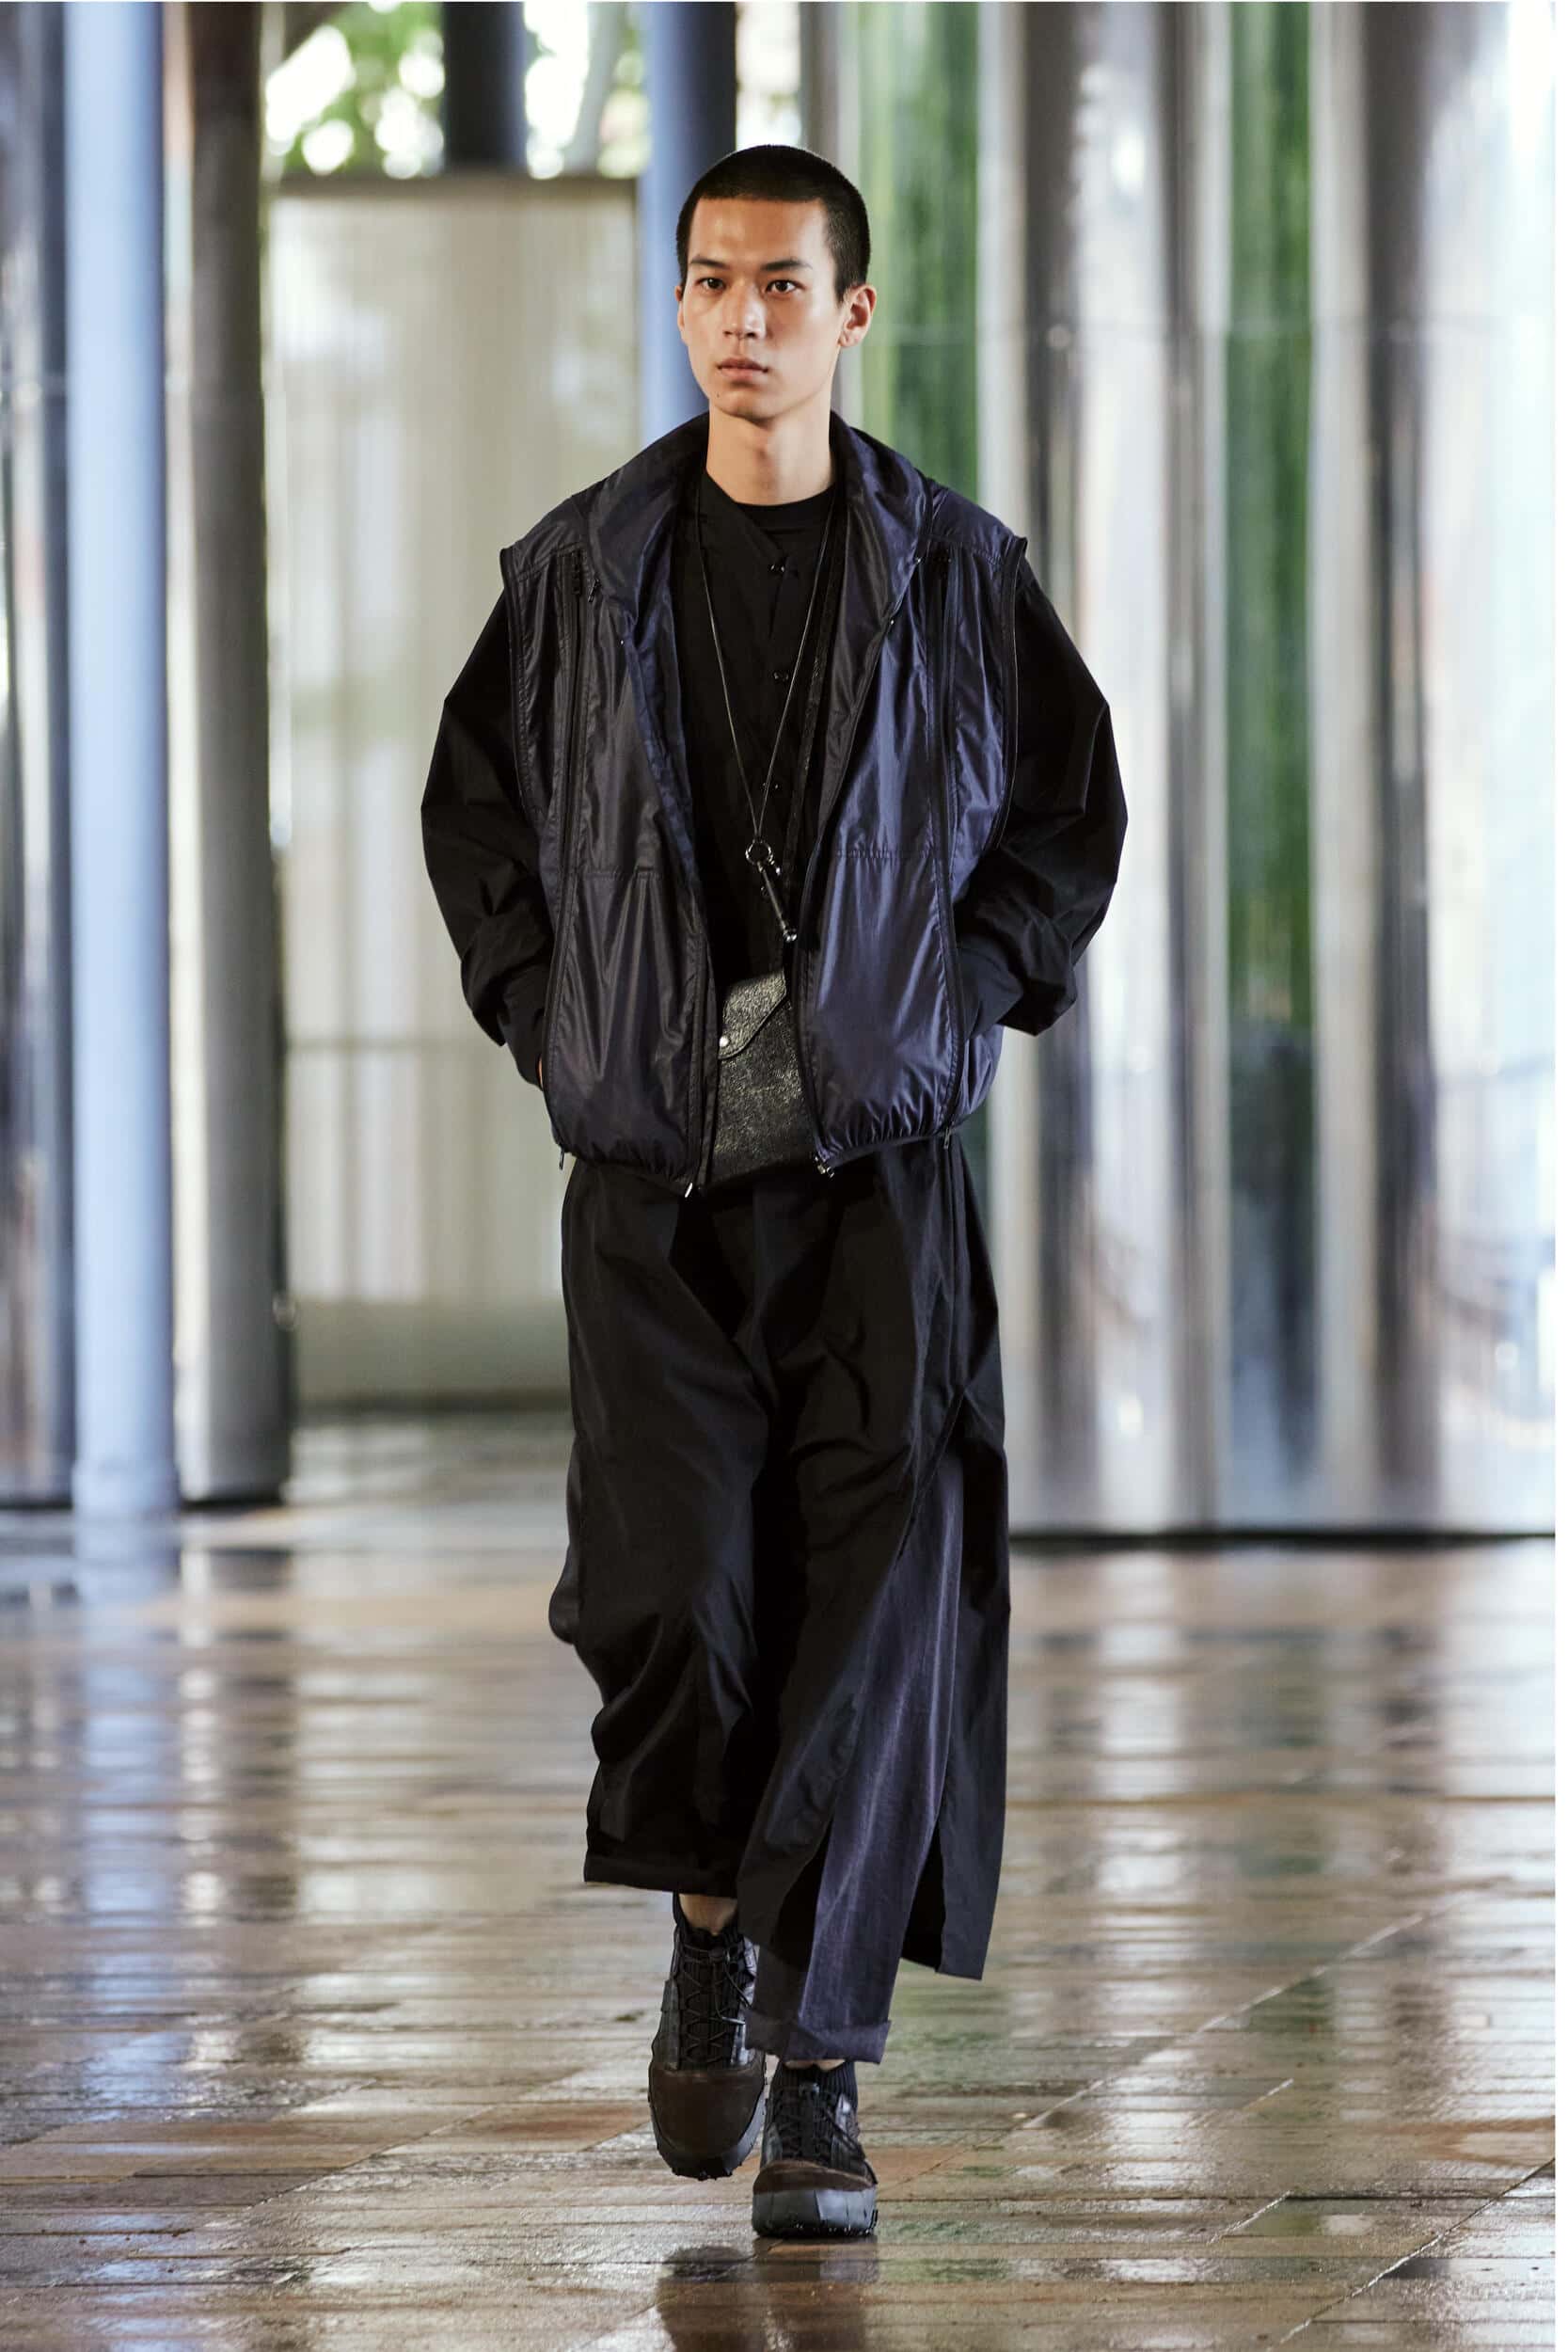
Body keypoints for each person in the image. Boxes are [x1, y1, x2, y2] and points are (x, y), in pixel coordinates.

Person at [420, 143, 1126, 2240]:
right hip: (652, 1182)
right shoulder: (579, 569)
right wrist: (546, 1015)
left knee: (867, 1616)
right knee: (671, 1597)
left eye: (783, 286)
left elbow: (1067, 814)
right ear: (682, 306)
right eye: (712, 283)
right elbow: (477, 815)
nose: (743, 320)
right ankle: (712, 1919)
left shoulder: (955, 571)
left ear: (851, 314)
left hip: (875, 1184)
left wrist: (963, 994)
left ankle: (821, 2078)